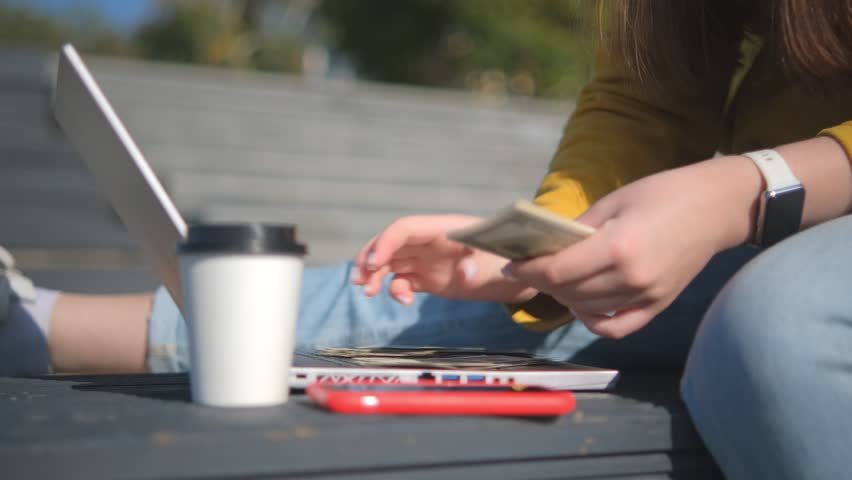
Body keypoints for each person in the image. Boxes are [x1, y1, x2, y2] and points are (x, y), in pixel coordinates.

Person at [3, 1, 852, 477]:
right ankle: (40, 324)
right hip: (771, 206)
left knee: (774, 331)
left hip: (779, 212)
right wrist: (535, 249)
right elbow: (648, 94)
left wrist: (752, 185)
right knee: (462, 303)